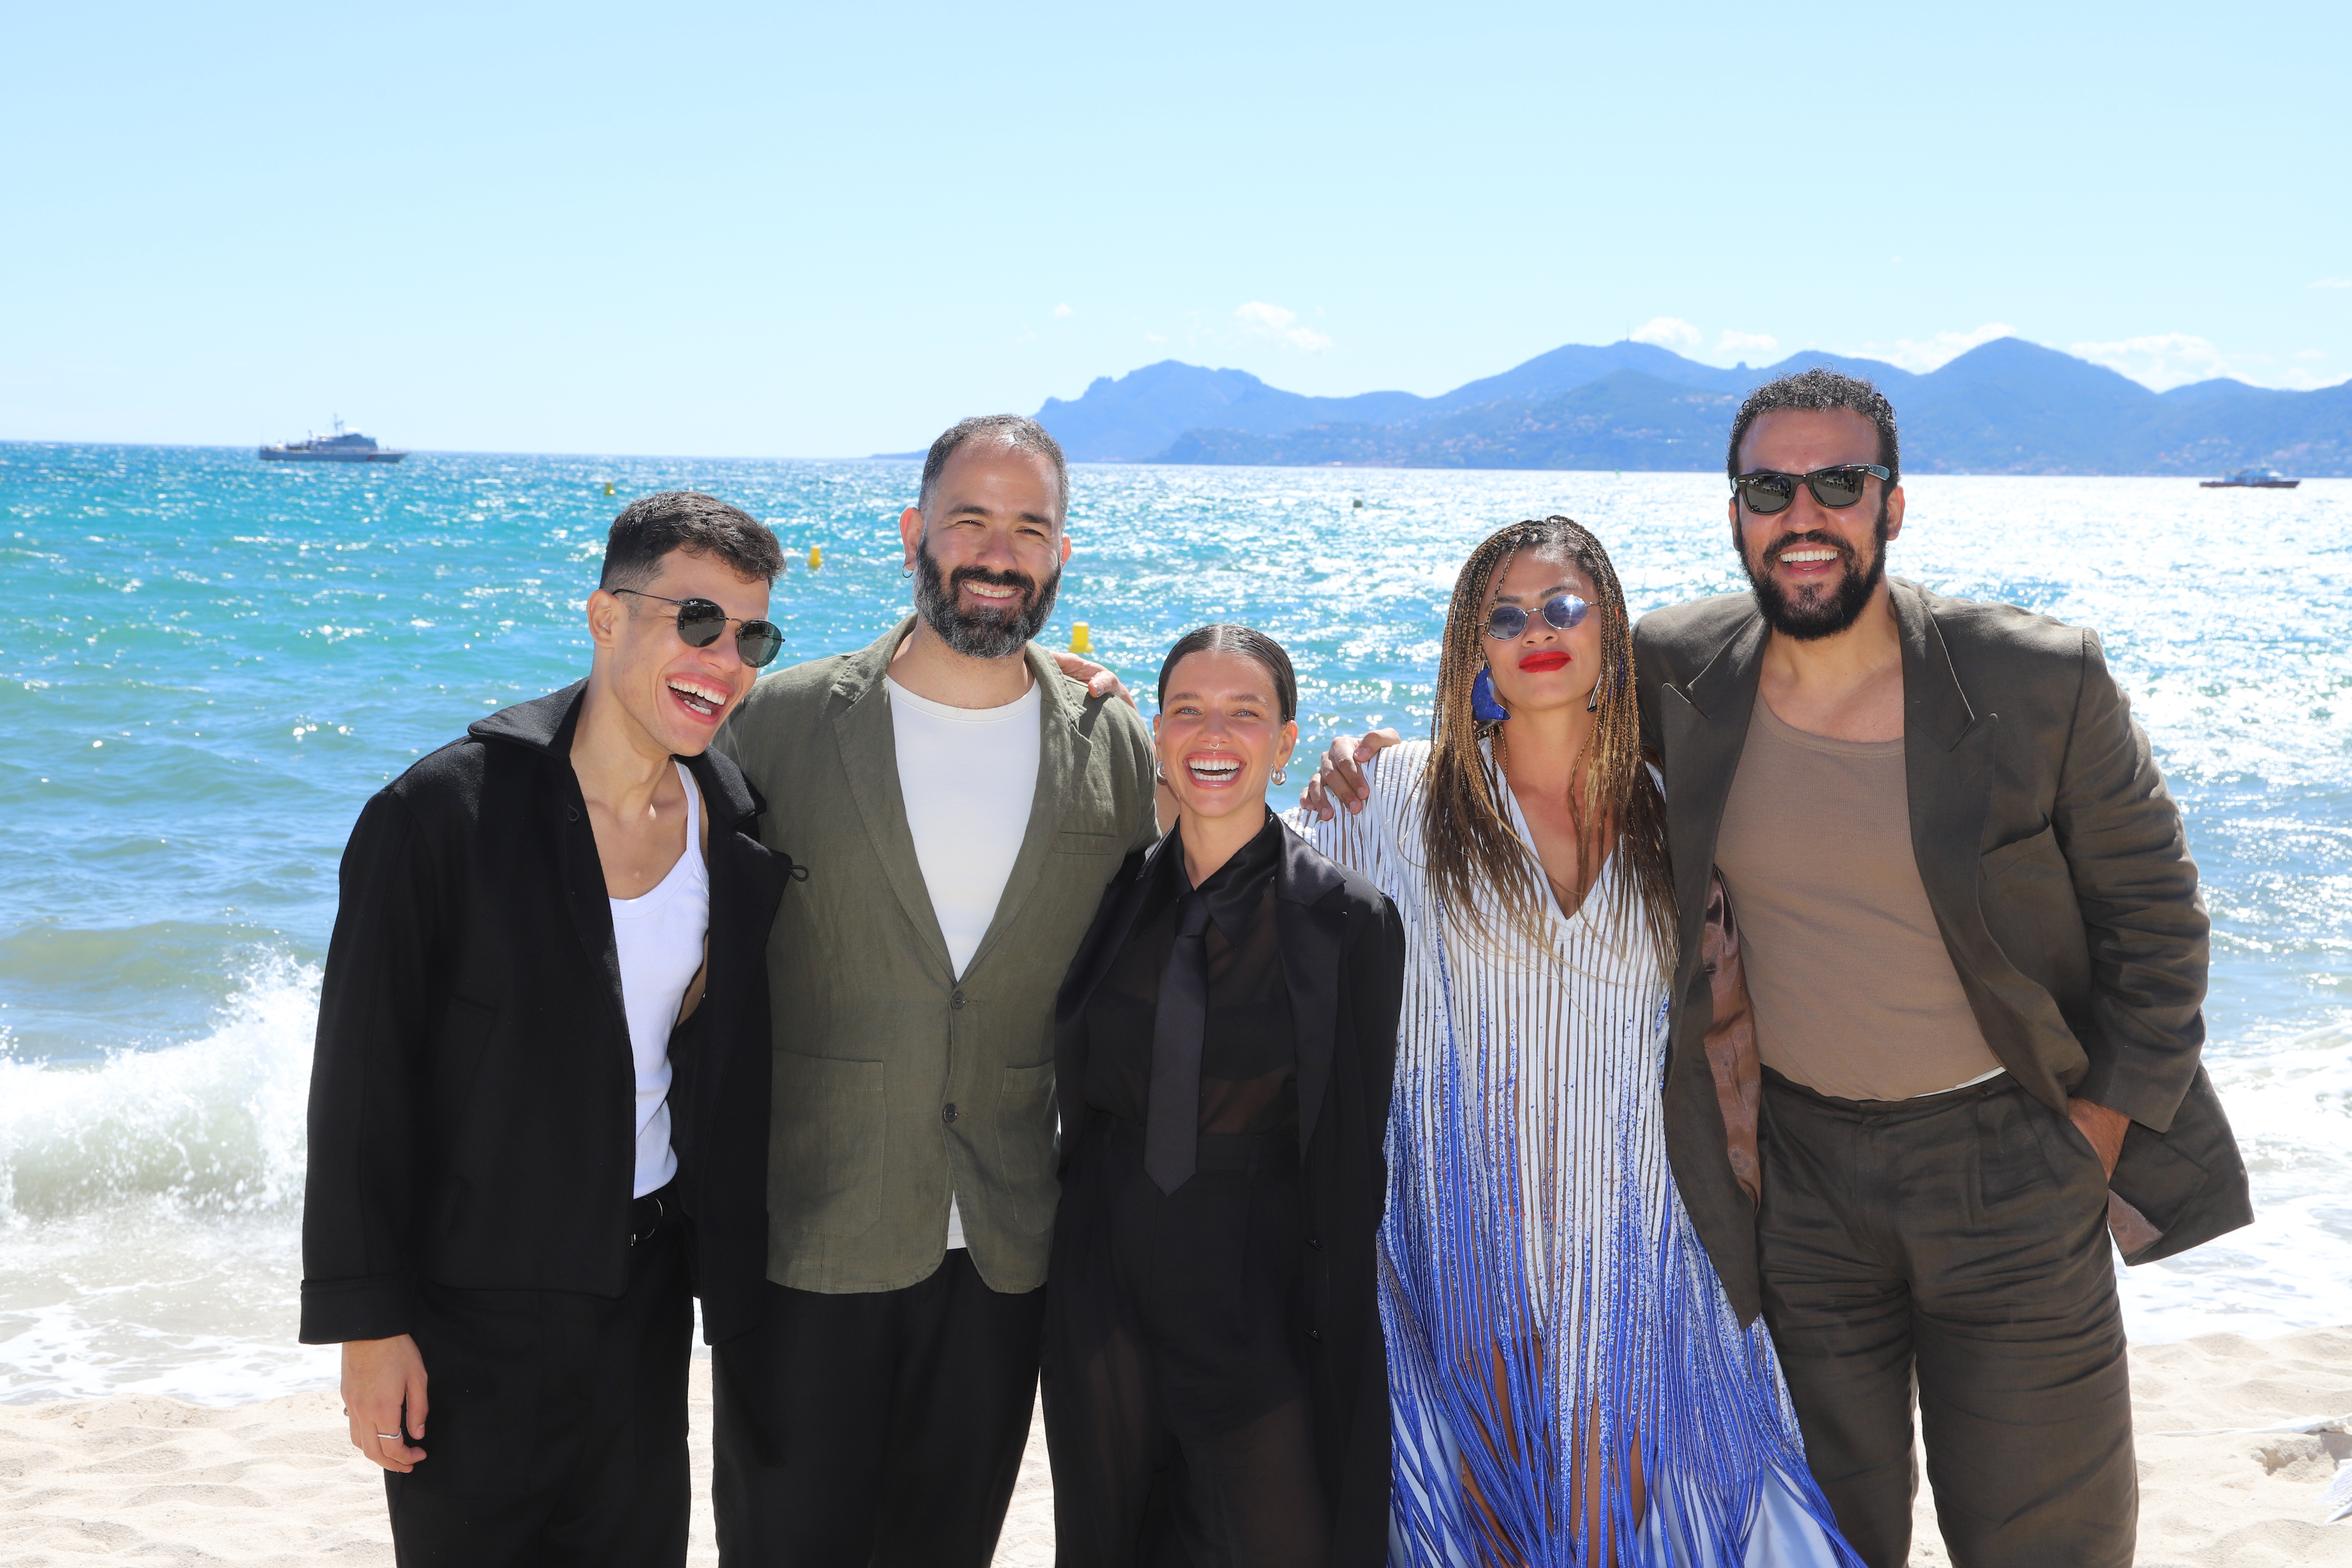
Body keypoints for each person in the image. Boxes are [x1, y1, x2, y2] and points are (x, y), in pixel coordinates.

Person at [1315, 372, 2256, 1568]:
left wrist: (2097, 1135)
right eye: (1771, 488)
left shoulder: (2033, 676)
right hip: (1800, 1187)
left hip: (2010, 1161)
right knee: (1819, 1528)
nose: (1804, 513)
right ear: (1736, 515)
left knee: (2046, 1536)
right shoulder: (1685, 668)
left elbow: (2158, 925)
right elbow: (1528, 721)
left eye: (1839, 483)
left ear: (1892, 505)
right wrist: (1360, 757)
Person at [1296, 517, 1859, 1566]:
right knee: (1492, 1530)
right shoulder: (1397, 795)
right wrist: (1166, 750)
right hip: (1462, 1243)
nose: (1538, 632)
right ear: (1473, 649)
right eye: (1506, 617)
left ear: (1610, 628)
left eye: (1563, 607)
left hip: (1634, 1248)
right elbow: (1247, 885)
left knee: (1620, 1530)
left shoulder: (1672, 818)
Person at [300, 491, 796, 1566]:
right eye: (697, 621)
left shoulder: (733, 821)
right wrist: (368, 1325)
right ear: (606, 617)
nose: (724, 661)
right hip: (471, 1306)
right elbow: (360, 1087)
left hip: (646, 1294)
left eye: (752, 637)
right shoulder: (442, 812)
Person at [708, 414, 1160, 1566]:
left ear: (1062, 555)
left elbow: (1202, 906)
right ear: (915, 531)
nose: (998, 555)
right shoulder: (778, 723)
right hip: (808, 1238)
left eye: (1030, 529)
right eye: (970, 521)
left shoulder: (1112, 742)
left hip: (1007, 1253)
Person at [1044, 625, 1404, 1567]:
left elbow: (1355, 1148)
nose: (1213, 734)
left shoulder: (1349, 920)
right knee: (1110, 1541)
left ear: (1286, 742)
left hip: (1261, 1290)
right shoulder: (1110, 894)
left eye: (1245, 712)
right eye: (1188, 711)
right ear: (1159, 735)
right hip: (1103, 1281)